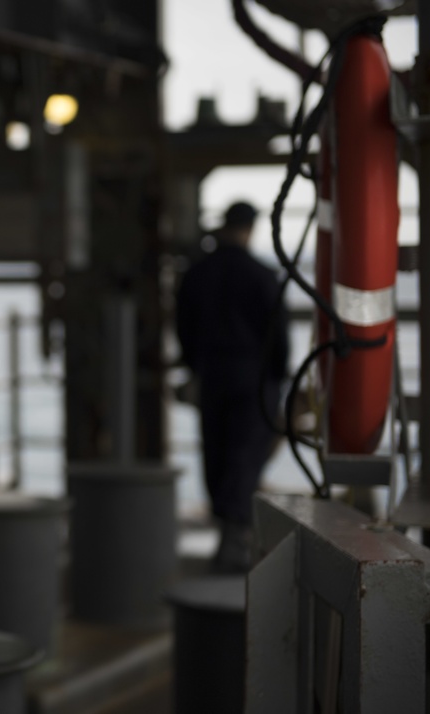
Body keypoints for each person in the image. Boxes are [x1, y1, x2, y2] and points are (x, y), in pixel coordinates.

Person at [175, 201, 289, 573]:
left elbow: (183, 328)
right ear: (251, 229)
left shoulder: (197, 273)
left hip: (213, 374)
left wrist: (197, 366)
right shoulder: (262, 275)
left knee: (216, 450)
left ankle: (226, 527)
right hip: (254, 378)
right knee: (244, 452)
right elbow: (279, 336)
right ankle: (234, 536)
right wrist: (277, 376)